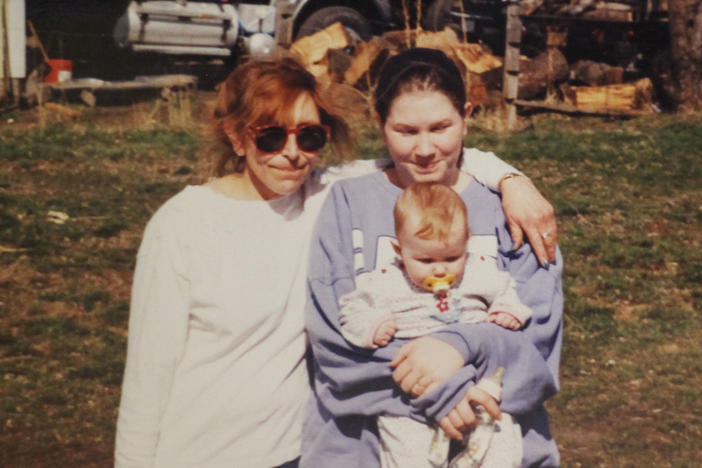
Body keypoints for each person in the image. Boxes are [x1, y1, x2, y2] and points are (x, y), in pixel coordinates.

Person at [114, 54, 558, 468]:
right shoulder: (197, 222)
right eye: (269, 136)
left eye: (309, 136)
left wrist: (509, 178)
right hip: (204, 450)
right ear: (235, 136)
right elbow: (147, 376)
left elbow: (432, 154)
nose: (291, 152)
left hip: (293, 447)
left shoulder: (329, 192)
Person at [303, 47, 563, 468]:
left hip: (497, 446)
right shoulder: (349, 203)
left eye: (441, 127)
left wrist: (461, 345)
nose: (425, 149)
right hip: (361, 452)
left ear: (467, 114)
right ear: (379, 122)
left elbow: (536, 349)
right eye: (405, 131)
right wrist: (445, 391)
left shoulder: (513, 210)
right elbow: (334, 340)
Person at [338, 182, 530, 467]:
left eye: (452, 257)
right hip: (413, 393)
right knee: (408, 449)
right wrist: (372, 326)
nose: (440, 269)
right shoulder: (385, 282)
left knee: (504, 444)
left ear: (467, 243)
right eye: (425, 259)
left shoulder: (479, 272)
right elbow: (350, 309)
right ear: (399, 250)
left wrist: (507, 311)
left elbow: (507, 291)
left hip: (477, 381)